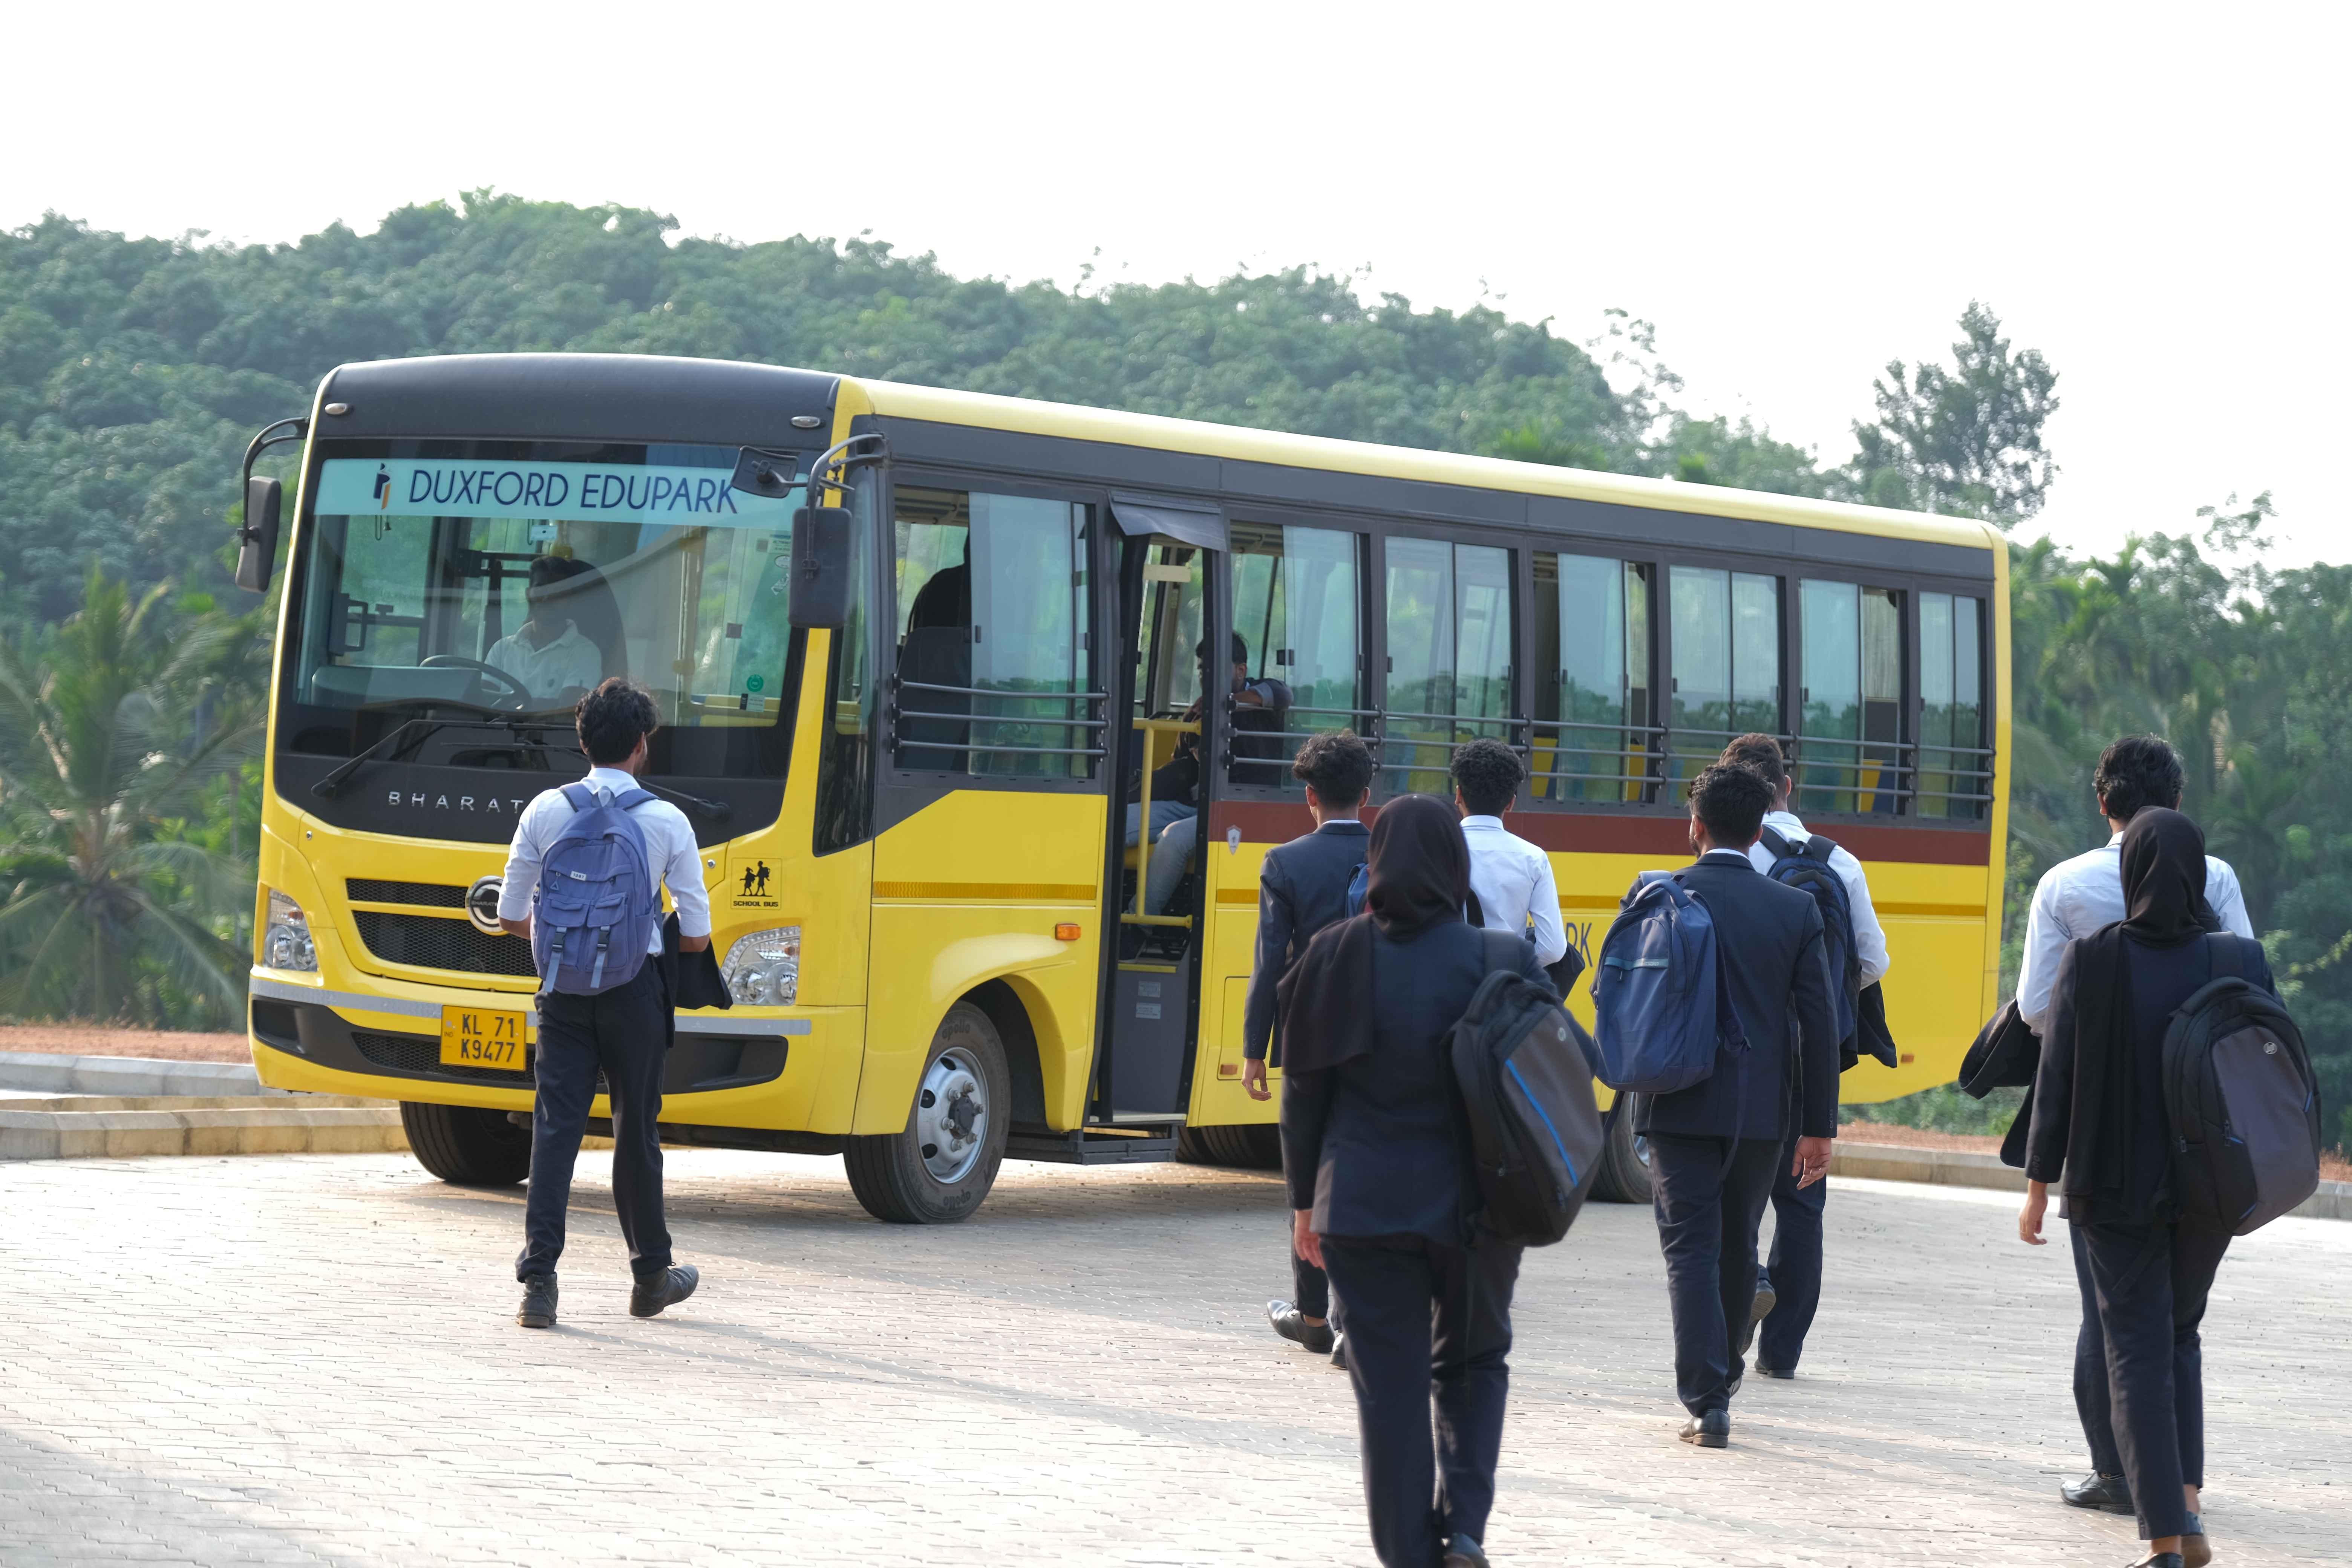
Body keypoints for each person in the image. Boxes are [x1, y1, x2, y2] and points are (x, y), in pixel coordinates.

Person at [1278, 793, 1555, 1568]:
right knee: (1473, 1361)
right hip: (1482, 1209)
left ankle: (1408, 1556)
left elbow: (1304, 1098)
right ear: (1456, 865)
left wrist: (1305, 1203)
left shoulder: (1333, 953)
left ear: (1377, 865)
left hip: (1362, 1211)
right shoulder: (1502, 958)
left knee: (1389, 1393)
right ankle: (1464, 1528)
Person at [2020, 808, 2269, 1568]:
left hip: (2115, 1188)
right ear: (2200, 874)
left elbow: (2057, 1080)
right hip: (2211, 1191)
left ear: (2129, 874)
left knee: (2133, 1348)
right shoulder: (2240, 957)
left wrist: (2037, 1185)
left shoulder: (2094, 958)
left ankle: (2164, 1538)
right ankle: (2186, 1508)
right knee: (2180, 1337)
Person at [1638, 763, 1839, 1449]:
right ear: (1760, 832)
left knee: (1687, 1249)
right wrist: (1818, 1128)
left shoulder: (1659, 894)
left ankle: (1705, 1399)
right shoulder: (1794, 909)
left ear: (1693, 827)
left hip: (1675, 1102)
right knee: (1737, 1243)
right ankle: (1720, 1384)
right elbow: (1818, 1024)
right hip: (1762, 1116)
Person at [497, 678, 708, 1329]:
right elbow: (697, 933)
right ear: (643, 745)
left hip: (562, 992)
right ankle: (650, 1277)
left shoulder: (543, 811)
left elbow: (508, 916)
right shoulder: (667, 821)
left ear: (582, 741)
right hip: (634, 992)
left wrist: (567, 940)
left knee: (555, 1132)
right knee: (634, 1133)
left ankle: (539, 1285)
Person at [1717, 732, 1891, 1378]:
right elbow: (1874, 961)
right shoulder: (1837, 861)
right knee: (1803, 1203)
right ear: (1787, 785)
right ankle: (1782, 1355)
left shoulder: (1728, 856)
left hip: (1737, 1054)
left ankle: (1741, 1300)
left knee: (1733, 1197)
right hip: (1809, 1055)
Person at [1240, 730, 1377, 1366]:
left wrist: (1254, 1050)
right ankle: (1349, 1315)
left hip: (1308, 1034)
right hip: (1381, 1037)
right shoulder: (1391, 855)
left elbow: (1270, 963)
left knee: (1310, 1177)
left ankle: (1315, 1316)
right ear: (1367, 795)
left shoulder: (1286, 862)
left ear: (1309, 796)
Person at [1121, 634, 1288, 915]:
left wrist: (1226, 703)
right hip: (1191, 803)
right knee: (1114, 822)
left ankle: (1139, 924)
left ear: (1241, 671)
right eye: (1202, 670)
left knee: (1173, 839)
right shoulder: (1198, 711)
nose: (1205, 677)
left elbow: (1281, 693)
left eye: (1214, 669)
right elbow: (1182, 766)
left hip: (1237, 807)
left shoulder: (1263, 703)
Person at [1448, 739, 1568, 971]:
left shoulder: (1436, 848)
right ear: (1511, 803)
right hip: (1504, 990)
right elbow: (1553, 948)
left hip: (1448, 987)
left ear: (1459, 795)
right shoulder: (1533, 858)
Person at [487, 555, 604, 700]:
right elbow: (481, 704)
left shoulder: (585, 652)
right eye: (541, 589)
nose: (548, 597)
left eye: (557, 591)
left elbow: (564, 713)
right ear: (529, 594)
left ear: (570, 598)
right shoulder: (502, 649)